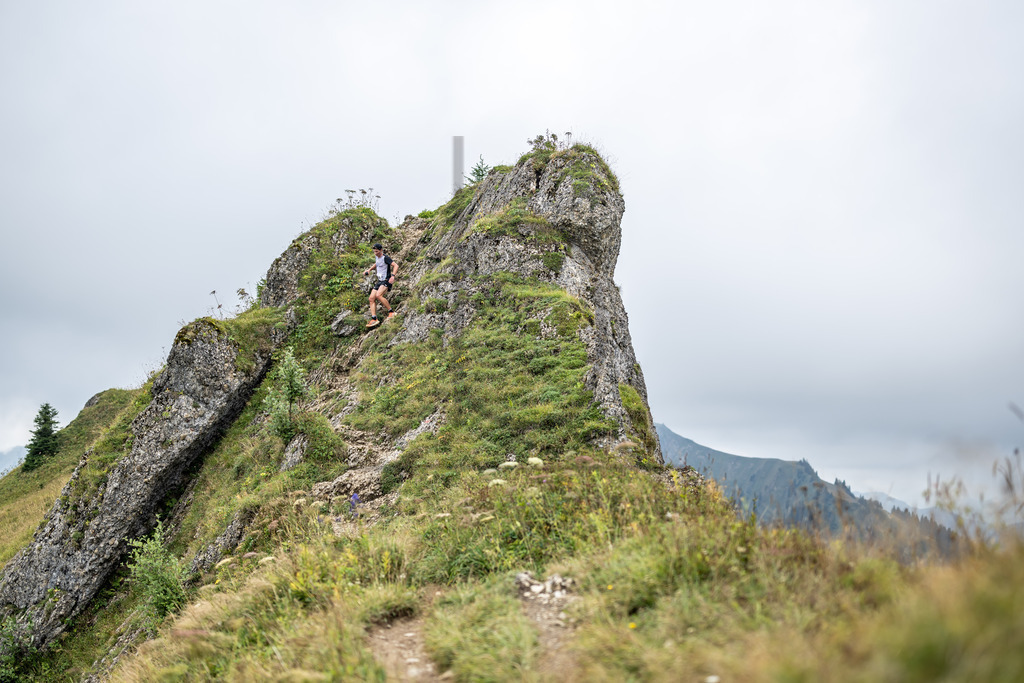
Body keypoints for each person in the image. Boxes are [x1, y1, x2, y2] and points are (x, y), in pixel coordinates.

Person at [362, 243, 398, 327]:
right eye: (374, 252)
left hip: (386, 280)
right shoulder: (377, 257)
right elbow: (377, 264)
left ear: (381, 250)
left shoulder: (385, 258)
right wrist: (369, 270)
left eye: (377, 251)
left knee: (378, 295)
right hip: (380, 281)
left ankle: (391, 312)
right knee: (371, 298)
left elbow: (396, 265)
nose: (376, 253)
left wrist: (393, 276)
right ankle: (374, 319)